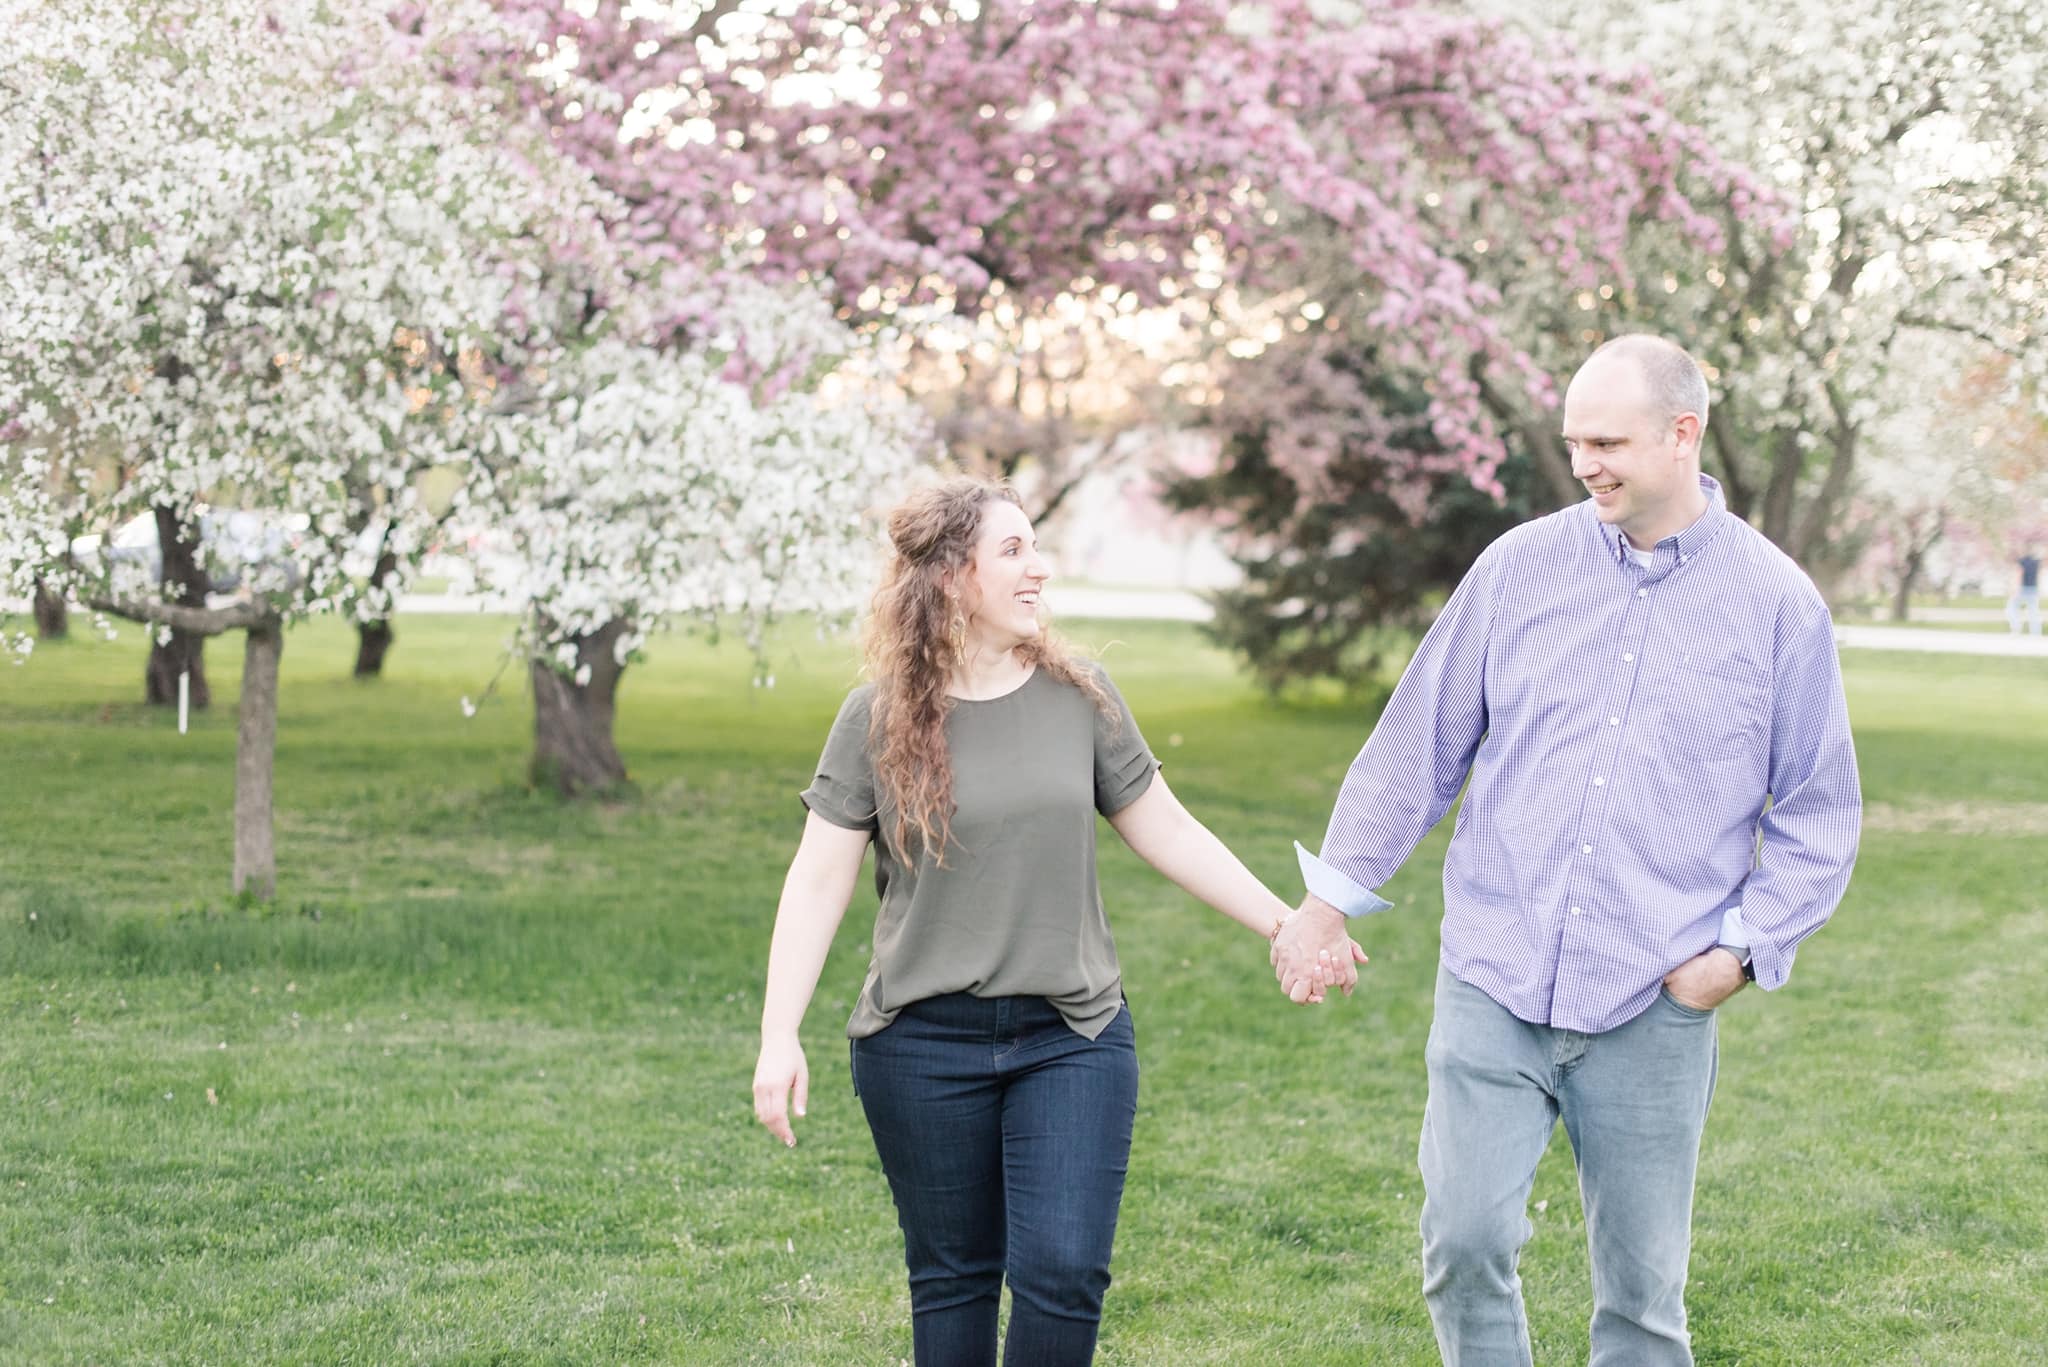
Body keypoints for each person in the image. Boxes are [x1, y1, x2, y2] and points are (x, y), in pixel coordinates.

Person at [1273, 335, 1863, 1366]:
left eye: (1605, 440)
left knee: (1640, 1296)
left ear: (1682, 434)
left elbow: (1818, 813)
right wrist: (1327, 900)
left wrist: (1735, 952)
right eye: (1571, 439)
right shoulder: (1515, 568)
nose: (1583, 461)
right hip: (1493, 972)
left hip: (1653, 993)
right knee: (1461, 1240)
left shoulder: (1776, 605)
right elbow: (1416, 744)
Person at [751, 476, 1361, 1366]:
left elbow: (1167, 827)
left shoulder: (1081, 695)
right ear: (953, 577)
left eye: (1036, 546)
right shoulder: (876, 716)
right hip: (920, 1044)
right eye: (1014, 550)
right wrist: (779, 1033)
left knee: (1065, 1273)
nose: (1040, 568)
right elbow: (817, 879)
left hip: (1070, 1035)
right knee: (953, 1280)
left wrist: (1288, 924)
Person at [2008, 548, 2041, 636]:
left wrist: (2015, 589)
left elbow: (2019, 574)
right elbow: (2038, 576)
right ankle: (2035, 632)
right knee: (2034, 611)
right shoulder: (2036, 562)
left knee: (2011, 608)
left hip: (2022, 589)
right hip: (2033, 589)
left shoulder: (2021, 562)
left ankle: (2016, 629)